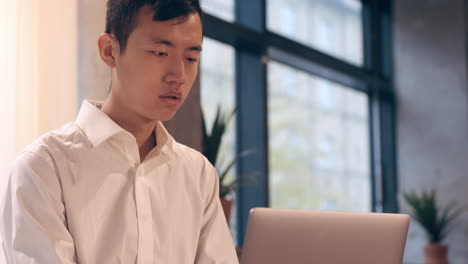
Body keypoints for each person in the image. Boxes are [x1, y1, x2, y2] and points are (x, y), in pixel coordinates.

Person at [0, 0, 239, 263]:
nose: (179, 75)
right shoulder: (43, 168)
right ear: (110, 50)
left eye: (191, 57)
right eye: (160, 53)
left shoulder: (198, 175)